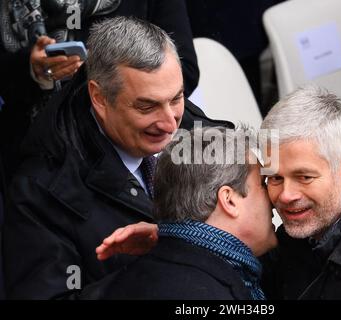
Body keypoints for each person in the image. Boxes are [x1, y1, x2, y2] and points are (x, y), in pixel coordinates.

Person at [98, 86, 341, 299]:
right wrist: (173, 240)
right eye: (275, 178)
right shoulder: (301, 234)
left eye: (304, 176)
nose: (284, 196)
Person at [2, 16, 230, 300]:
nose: (169, 123)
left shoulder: (206, 138)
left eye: (176, 98)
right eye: (147, 106)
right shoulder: (41, 192)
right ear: (99, 97)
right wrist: (161, 265)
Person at [0, 0, 199, 181]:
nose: (168, 121)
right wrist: (32, 70)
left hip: (126, 155)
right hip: (35, 155)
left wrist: (120, 77)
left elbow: (185, 70)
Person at [84, 126, 277, 299]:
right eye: (262, 184)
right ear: (229, 200)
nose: (274, 199)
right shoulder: (203, 292)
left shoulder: (140, 275)